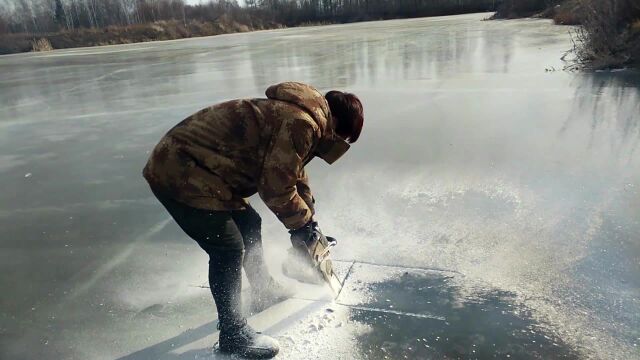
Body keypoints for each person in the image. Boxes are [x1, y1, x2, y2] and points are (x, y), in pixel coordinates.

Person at [142, 82, 364, 358]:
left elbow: (293, 172)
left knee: (249, 224)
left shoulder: (306, 117)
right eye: (345, 139)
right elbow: (276, 189)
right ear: (339, 126)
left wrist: (309, 223)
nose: (341, 145)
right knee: (227, 247)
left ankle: (262, 289)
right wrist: (301, 228)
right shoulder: (300, 124)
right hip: (179, 172)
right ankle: (233, 335)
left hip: (207, 172)